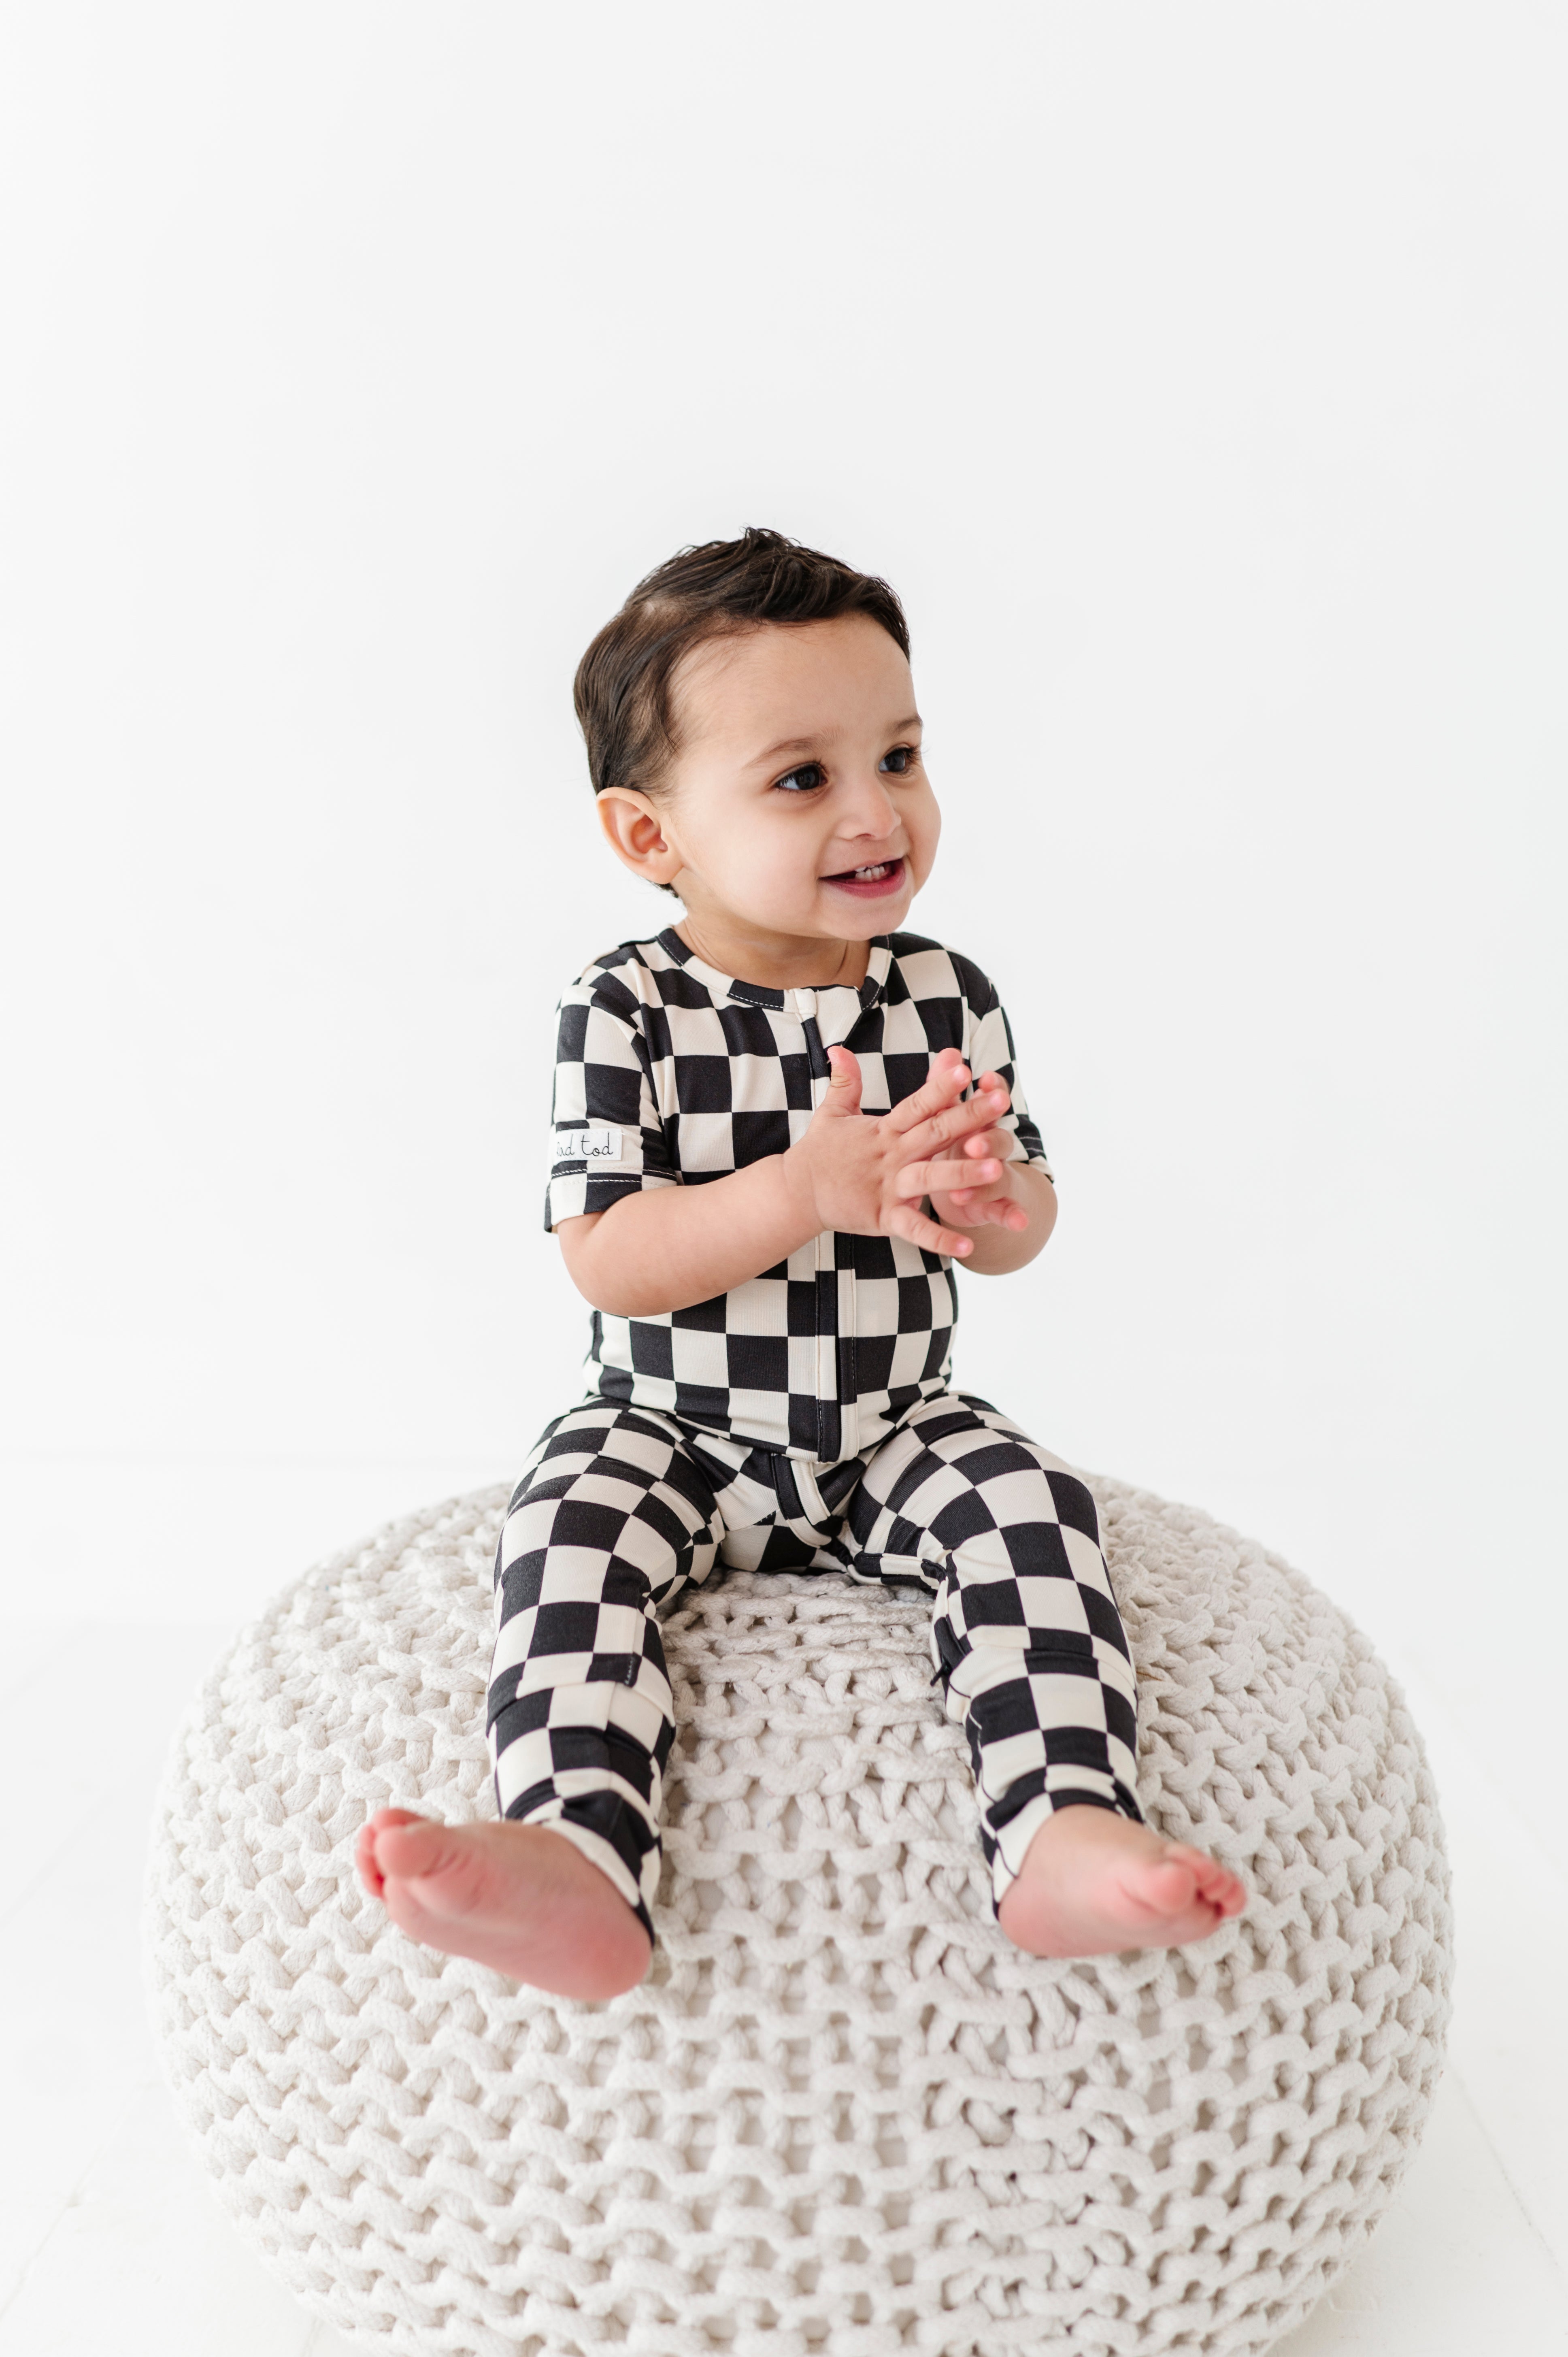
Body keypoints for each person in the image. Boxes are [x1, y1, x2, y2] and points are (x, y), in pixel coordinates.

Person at [356, 529, 1247, 1998]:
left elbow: (1021, 1226)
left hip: (892, 1424)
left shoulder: (943, 993)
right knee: (565, 1543)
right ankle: (574, 1853)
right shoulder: (626, 1008)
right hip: (670, 1425)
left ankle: (1061, 1827)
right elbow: (610, 1259)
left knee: (1030, 1513)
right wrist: (803, 1189)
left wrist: (990, 1199)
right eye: (800, 778)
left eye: (898, 756)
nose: (875, 812)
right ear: (650, 838)